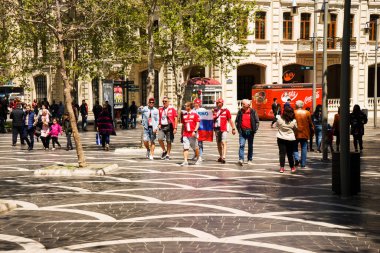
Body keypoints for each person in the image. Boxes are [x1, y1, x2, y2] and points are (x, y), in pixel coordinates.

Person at [235, 99, 259, 166]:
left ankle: (249, 160)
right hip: (242, 131)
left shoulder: (253, 111)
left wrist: (255, 129)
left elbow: (257, 121)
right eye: (242, 104)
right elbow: (236, 121)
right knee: (241, 145)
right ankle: (241, 159)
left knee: (250, 146)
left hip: (250, 131)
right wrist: (239, 129)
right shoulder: (240, 111)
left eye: (243, 104)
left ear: (248, 105)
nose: (242, 105)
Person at [213, 98, 236, 164]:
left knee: (224, 142)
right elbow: (211, 120)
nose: (217, 104)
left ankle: (224, 157)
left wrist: (233, 128)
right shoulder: (214, 110)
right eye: (217, 103)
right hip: (216, 129)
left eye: (219, 102)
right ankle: (220, 156)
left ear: (222, 103)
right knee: (218, 143)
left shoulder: (226, 111)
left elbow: (230, 120)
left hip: (224, 129)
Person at [276, 107, 297, 173]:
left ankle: (282, 168)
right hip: (290, 138)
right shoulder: (293, 121)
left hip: (281, 137)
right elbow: (295, 128)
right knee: (290, 153)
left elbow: (277, 126)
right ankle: (292, 167)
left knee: (282, 153)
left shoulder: (280, 120)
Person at [293, 100, 314, 168]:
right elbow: (310, 123)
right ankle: (303, 163)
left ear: (297, 105)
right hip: (304, 132)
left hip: (296, 132)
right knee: (304, 148)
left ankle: (296, 159)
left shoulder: (294, 112)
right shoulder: (307, 112)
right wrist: (312, 130)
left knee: (294, 147)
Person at [180, 102, 201, 166]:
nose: (185, 107)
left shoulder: (195, 114)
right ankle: (185, 161)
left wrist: (194, 131)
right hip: (186, 134)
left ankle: (198, 158)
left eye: (186, 106)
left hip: (192, 134)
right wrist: (182, 134)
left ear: (189, 107)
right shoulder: (184, 115)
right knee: (185, 147)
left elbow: (197, 123)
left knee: (195, 148)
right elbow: (183, 125)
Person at [158, 96, 178, 160]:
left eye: (165, 101)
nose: (164, 102)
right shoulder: (160, 109)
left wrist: (175, 128)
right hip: (162, 126)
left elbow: (175, 118)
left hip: (169, 126)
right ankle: (164, 150)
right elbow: (159, 117)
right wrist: (159, 124)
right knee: (159, 139)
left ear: (168, 102)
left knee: (168, 141)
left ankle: (168, 155)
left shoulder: (172, 109)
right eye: (163, 101)